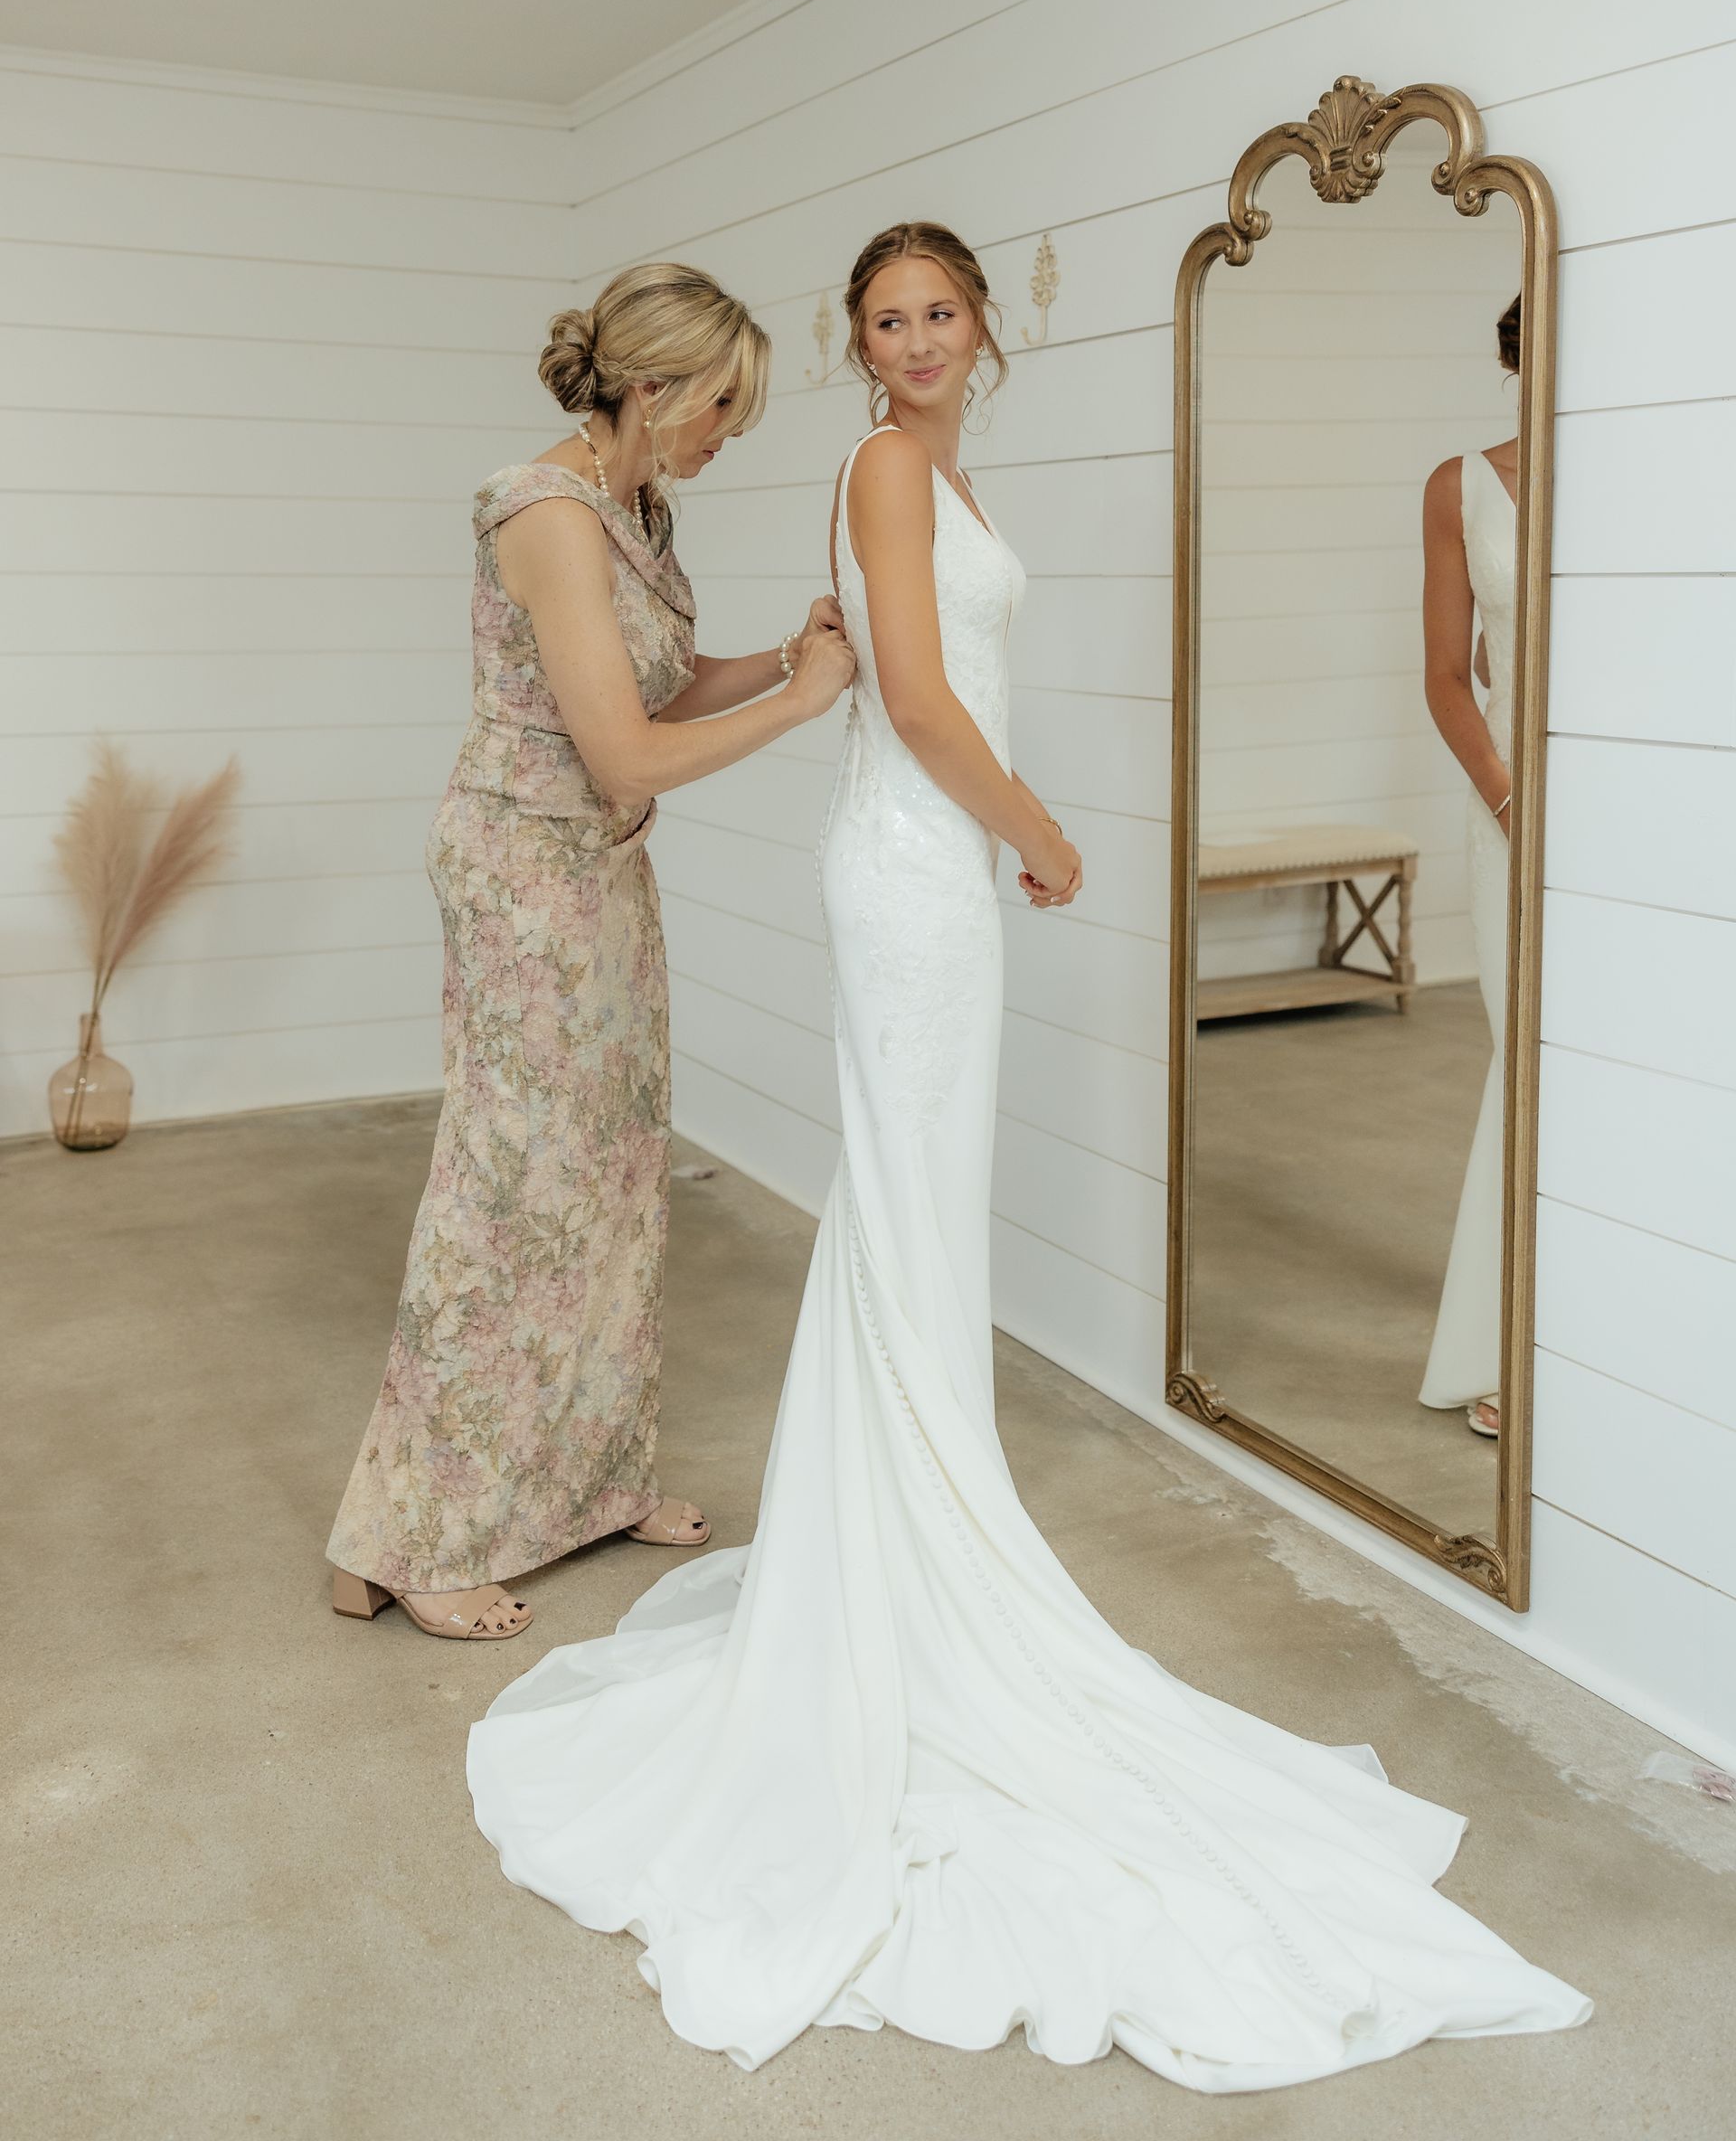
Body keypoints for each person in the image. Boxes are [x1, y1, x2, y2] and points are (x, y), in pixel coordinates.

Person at [466, 228, 1589, 2087]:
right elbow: (913, 702)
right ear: (864, 346)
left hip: (930, 869)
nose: (914, 342)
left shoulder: (936, 466)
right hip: (918, 874)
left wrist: (990, 831)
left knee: (911, 1228)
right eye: (885, 322)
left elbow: (906, 677)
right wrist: (1041, 830)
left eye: (938, 313)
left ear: (987, 323)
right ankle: (904, 1575)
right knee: (908, 1219)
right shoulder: (894, 468)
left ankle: (899, 1536)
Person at [327, 261, 855, 1641]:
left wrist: (779, 657)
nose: (728, 435)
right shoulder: (547, 514)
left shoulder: (636, 505)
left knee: (612, 1178)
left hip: (605, 867)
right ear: (649, 386)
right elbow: (623, 747)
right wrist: (802, 708)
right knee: (510, 1189)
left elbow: (657, 690)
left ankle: (584, 1483)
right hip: (522, 875)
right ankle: (417, 1533)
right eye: (721, 407)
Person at [1419, 295, 1523, 1438]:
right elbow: (1450, 675)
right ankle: (1507, 1346)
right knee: (1527, 1059)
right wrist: (1509, 797)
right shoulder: (1460, 485)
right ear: (1510, 355)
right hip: (1510, 806)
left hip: (1637, 807)